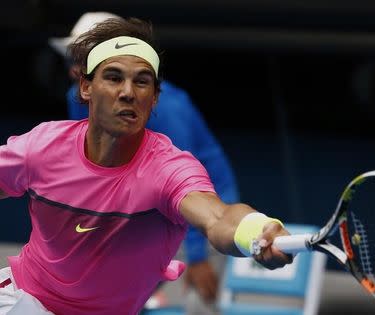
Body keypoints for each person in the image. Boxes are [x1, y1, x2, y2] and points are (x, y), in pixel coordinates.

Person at [0, 16, 292, 315]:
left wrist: (256, 230)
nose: (127, 92)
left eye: (141, 81)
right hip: (22, 300)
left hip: (158, 229)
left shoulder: (169, 165)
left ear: (153, 98)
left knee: (199, 300)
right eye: (113, 77)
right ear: (85, 86)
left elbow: (216, 215)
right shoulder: (43, 146)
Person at [49, 12, 239, 311]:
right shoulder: (78, 98)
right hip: (139, 212)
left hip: (201, 216)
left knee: (199, 305)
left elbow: (189, 191)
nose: (75, 68)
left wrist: (199, 257)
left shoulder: (168, 108)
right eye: (76, 58)